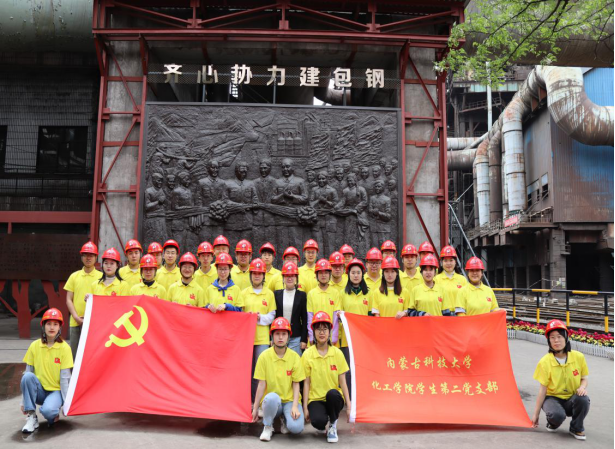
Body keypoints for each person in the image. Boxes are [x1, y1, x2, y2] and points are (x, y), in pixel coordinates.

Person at [531, 320, 590, 441]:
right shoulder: (544, 362)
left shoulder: (578, 357)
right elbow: (542, 390)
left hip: (571, 398)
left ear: (566, 337)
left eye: (559, 336)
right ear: (549, 341)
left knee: (583, 399)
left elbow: (584, 379)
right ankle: (553, 422)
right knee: (556, 415)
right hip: (552, 398)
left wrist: (582, 387)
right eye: (552, 338)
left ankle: (576, 428)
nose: (556, 340)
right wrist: (536, 414)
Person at [20, 308, 73, 433]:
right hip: (39, 391)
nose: (52, 327)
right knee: (27, 376)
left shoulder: (65, 348)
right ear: (43, 326)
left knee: (49, 412)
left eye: (55, 324)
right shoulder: (34, 346)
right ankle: (32, 417)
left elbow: (65, 379)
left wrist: (67, 404)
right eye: (48, 324)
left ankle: (53, 412)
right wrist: (23, 402)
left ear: (60, 327)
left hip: (56, 391)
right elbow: (28, 373)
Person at [252, 317, 305, 441]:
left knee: (296, 428)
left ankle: (285, 419)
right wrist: (255, 408)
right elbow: (261, 385)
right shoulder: (264, 356)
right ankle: (268, 426)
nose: (280, 337)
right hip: (272, 400)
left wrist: (295, 406)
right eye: (277, 334)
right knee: (271, 398)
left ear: (288, 337)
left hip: (289, 400)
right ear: (272, 336)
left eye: (284, 334)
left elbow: (296, 384)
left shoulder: (295, 357)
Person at [302, 311, 351, 443]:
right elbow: (306, 383)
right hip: (316, 399)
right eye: (318, 329)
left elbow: (343, 382)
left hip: (334, 398)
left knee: (332, 394)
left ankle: (333, 424)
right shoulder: (307, 354)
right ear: (313, 332)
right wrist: (305, 408)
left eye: (325, 329)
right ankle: (324, 420)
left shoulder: (337, 353)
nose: (322, 332)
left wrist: (349, 405)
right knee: (318, 422)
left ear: (330, 331)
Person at [243, 258, 277, 402]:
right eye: (254, 273)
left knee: (261, 371)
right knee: (247, 371)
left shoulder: (269, 294)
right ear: (250, 275)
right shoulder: (244, 293)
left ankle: (260, 401)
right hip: (246, 338)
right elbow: (240, 314)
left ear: (264, 275)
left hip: (262, 339)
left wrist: (259, 318)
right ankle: (248, 401)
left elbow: (272, 315)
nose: (257, 276)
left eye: (259, 273)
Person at [339, 258, 372, 396]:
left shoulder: (369, 293)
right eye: (353, 273)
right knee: (348, 369)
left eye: (358, 272)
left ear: (362, 274)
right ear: (348, 274)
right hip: (347, 338)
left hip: (364, 339)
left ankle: (363, 396)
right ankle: (350, 399)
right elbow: (339, 316)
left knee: (363, 367)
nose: (356, 275)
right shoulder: (343, 293)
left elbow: (371, 317)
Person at [65, 241, 102, 358]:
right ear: (81, 257)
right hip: (75, 322)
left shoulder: (101, 277)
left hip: (95, 323)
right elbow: (68, 299)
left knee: (92, 355)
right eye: (85, 255)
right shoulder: (74, 276)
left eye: (91, 255)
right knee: (74, 355)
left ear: (96, 257)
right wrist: (76, 317)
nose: (88, 258)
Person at [274, 262, 308, 355]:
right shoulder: (276, 294)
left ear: (296, 278)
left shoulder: (302, 295)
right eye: (287, 276)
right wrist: (271, 338)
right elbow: (274, 316)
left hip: (296, 337)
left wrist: (304, 339)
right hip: (279, 335)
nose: (289, 278)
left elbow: (305, 319)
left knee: (294, 361)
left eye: (292, 276)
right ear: (283, 278)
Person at [307, 260, 341, 346]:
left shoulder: (335, 293)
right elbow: (310, 317)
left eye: (326, 272)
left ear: (330, 274)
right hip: (316, 337)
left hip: (331, 339)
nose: (323, 275)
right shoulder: (311, 294)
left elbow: (336, 317)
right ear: (316, 275)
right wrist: (311, 337)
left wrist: (334, 337)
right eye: (320, 273)